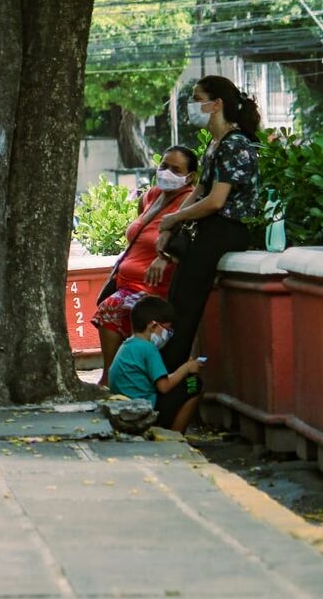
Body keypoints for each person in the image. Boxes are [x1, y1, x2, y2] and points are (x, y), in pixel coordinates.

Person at [155, 75, 261, 373]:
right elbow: (199, 192)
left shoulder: (235, 144)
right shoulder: (215, 144)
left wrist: (175, 218)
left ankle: (169, 381)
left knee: (184, 308)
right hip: (208, 230)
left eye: (198, 99)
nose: (193, 105)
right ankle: (167, 376)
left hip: (224, 230)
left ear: (217, 104)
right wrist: (169, 227)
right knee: (177, 301)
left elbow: (215, 201)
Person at [91, 146, 198, 386]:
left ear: (189, 176)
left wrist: (166, 256)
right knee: (112, 311)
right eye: (164, 166)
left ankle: (111, 379)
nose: (167, 173)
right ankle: (112, 376)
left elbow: (189, 240)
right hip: (125, 283)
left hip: (153, 288)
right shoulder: (151, 196)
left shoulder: (189, 201)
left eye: (176, 170)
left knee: (111, 308)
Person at [108, 296, 205, 433]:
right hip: (145, 409)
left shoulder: (128, 345)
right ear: (153, 326)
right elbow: (164, 386)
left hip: (124, 406)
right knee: (194, 384)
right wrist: (187, 368)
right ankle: (175, 436)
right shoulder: (149, 349)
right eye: (167, 329)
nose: (168, 334)